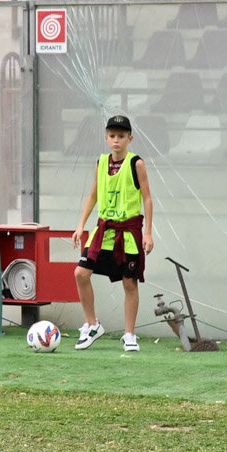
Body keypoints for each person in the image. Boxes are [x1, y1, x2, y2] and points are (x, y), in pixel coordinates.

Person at [71, 115, 154, 352]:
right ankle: (93, 324)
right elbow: (93, 195)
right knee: (80, 273)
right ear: (106, 138)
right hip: (104, 229)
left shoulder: (136, 163)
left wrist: (147, 233)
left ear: (130, 138)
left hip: (128, 231)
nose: (116, 140)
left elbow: (147, 198)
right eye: (112, 136)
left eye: (121, 136)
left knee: (129, 283)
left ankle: (130, 335)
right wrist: (81, 225)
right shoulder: (101, 162)